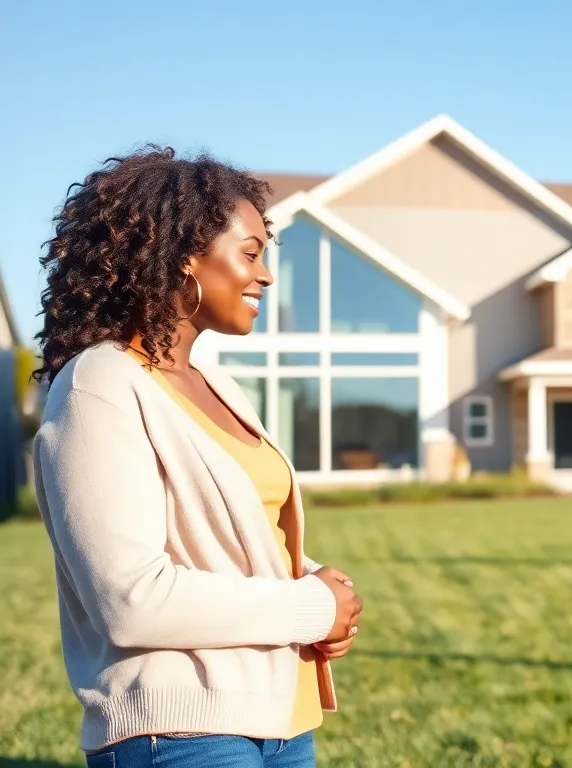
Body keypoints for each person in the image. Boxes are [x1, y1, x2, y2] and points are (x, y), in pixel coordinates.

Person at [31, 146, 363, 768]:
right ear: (183, 257)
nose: (264, 276)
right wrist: (310, 607)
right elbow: (130, 599)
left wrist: (320, 581)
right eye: (250, 253)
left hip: (282, 721)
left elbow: (224, 531)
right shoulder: (98, 386)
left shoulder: (218, 386)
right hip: (182, 731)